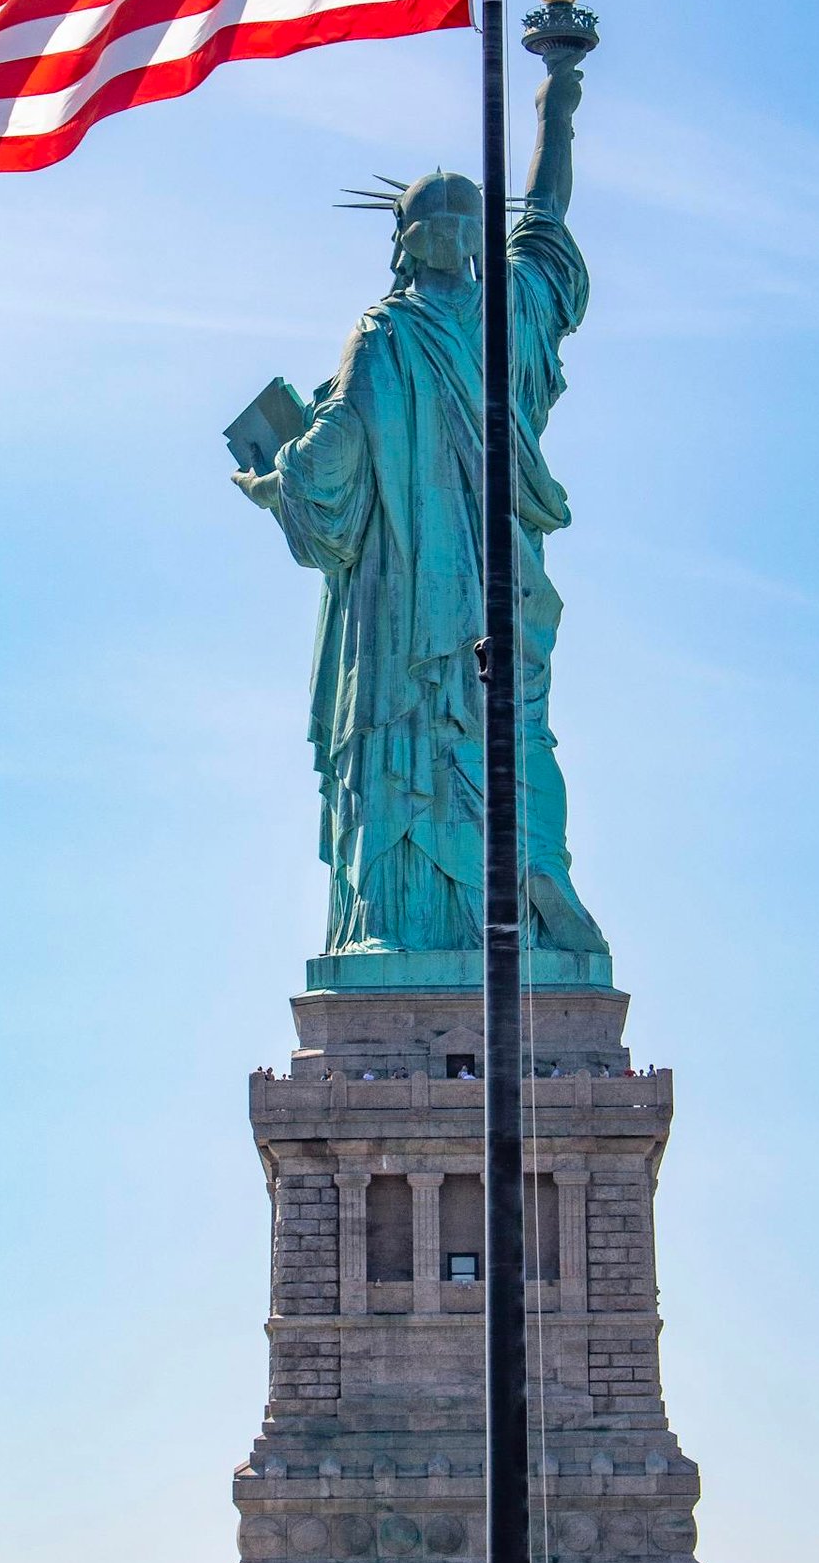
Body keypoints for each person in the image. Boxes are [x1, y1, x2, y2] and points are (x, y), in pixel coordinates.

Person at [232, 49, 608, 961]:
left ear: (401, 244)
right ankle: (525, 876)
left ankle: (402, 929)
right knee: (513, 734)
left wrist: (271, 474)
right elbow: (548, 214)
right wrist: (560, 84)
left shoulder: (386, 335)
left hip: (402, 623)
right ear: (474, 241)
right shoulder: (511, 315)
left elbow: (329, 468)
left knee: (406, 738)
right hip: (501, 598)